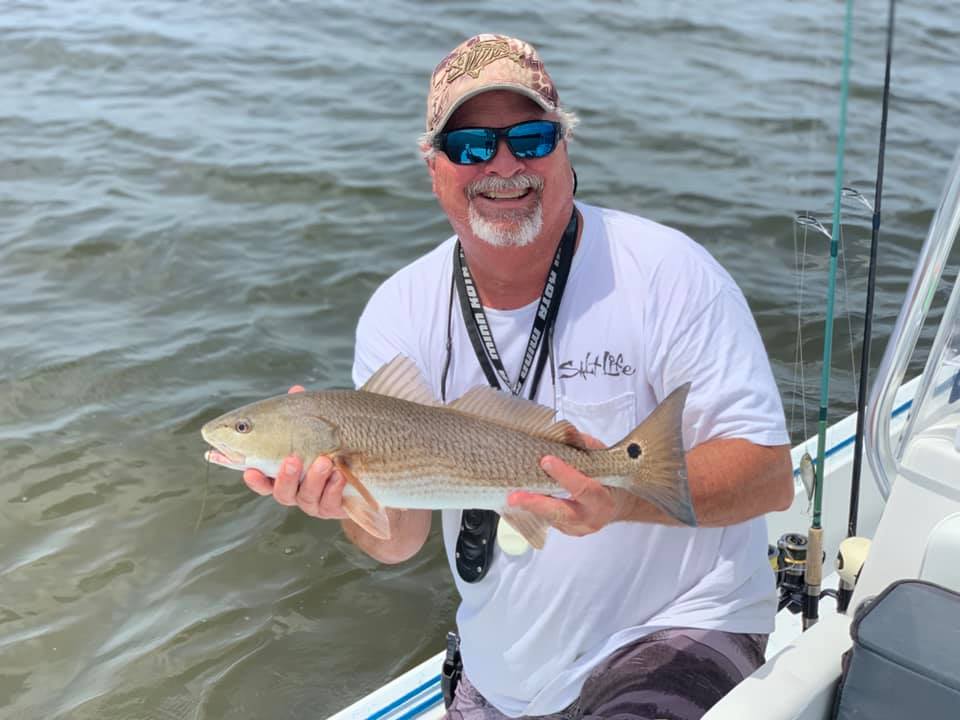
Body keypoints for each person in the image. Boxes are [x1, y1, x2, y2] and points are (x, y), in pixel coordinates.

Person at [244, 34, 793, 720]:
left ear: (565, 150)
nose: (503, 165)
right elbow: (400, 538)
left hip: (681, 628)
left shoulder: (669, 274)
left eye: (530, 138)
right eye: (471, 147)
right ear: (433, 167)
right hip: (502, 676)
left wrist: (619, 497)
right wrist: (343, 500)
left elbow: (770, 475)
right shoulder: (398, 310)